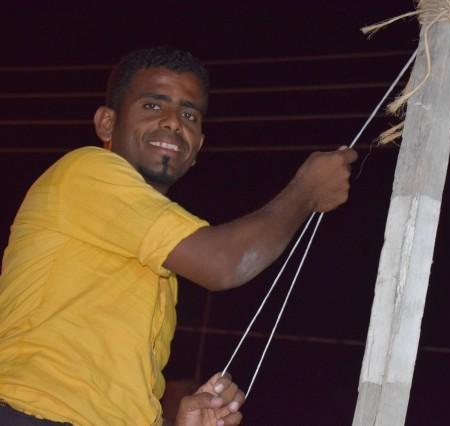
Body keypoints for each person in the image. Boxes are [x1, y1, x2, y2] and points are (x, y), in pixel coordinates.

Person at [0, 46, 357, 425]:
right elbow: (224, 264)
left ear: (198, 145)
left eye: (189, 115)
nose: (173, 122)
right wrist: (304, 193)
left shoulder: (157, 263)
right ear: (107, 123)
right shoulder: (85, 172)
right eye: (153, 106)